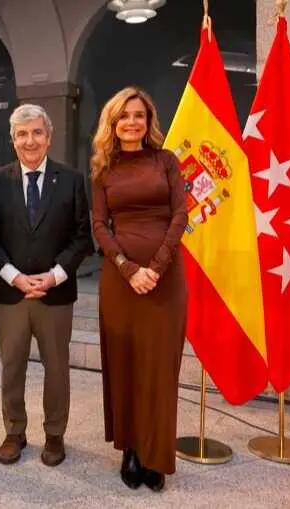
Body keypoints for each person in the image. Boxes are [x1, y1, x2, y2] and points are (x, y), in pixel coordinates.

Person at [90, 86, 188, 492]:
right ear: (113, 123)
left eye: (139, 115)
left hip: (166, 278)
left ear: (149, 122)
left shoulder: (167, 161)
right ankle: (130, 449)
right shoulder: (103, 168)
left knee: (160, 367)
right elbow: (99, 225)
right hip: (120, 278)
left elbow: (181, 213)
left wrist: (157, 266)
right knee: (125, 362)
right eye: (124, 116)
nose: (132, 122)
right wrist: (128, 268)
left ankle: (156, 453)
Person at [0, 104, 92, 467]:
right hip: (10, 293)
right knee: (12, 365)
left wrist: (54, 275)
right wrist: (14, 276)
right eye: (22, 134)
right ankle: (14, 431)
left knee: (57, 367)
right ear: (12, 140)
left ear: (49, 137)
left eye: (36, 133)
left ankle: (54, 434)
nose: (30, 140)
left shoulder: (73, 180)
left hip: (55, 292)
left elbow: (82, 238)